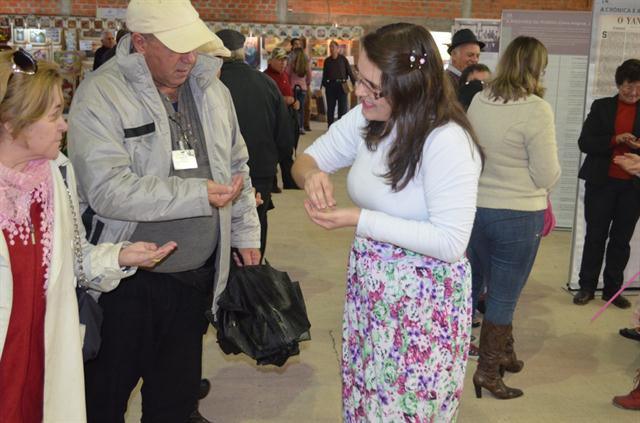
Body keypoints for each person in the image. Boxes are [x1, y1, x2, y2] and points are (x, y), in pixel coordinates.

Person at [67, 1, 261, 422]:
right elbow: (107, 190)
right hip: (125, 287)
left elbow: (237, 168)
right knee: (102, 401)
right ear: (140, 42)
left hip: (195, 281)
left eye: (193, 46)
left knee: (173, 406)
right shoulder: (101, 94)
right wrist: (198, 195)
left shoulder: (213, 90)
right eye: (176, 48)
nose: (189, 58)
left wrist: (246, 233)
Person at [292, 23, 482, 421]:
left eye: (372, 86)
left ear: (409, 84)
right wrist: (311, 176)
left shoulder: (446, 139)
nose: (359, 92)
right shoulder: (369, 119)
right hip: (373, 295)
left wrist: (361, 218)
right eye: (359, 79)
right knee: (367, 399)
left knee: (407, 407)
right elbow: (307, 158)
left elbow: (450, 241)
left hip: (423, 306)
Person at [0, 49, 175, 423]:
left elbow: (74, 259)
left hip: (44, 359)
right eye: (54, 115)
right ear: (13, 123)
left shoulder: (57, 175)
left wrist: (120, 257)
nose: (64, 125)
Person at [466, 36, 561, 400]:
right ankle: (488, 373)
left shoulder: (479, 99)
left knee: (487, 287)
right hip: (518, 214)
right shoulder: (536, 109)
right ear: (536, 67)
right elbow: (547, 175)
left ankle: (504, 351)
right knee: (506, 293)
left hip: (478, 209)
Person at [216, 28, 294, 258]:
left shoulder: (208, 86)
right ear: (242, 51)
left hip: (219, 172)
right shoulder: (266, 83)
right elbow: (284, 133)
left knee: (220, 229)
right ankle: (253, 277)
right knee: (255, 227)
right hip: (260, 169)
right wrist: (285, 170)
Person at [573, 59, 640, 309]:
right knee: (595, 236)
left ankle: (612, 290)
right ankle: (587, 286)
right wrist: (615, 139)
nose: (633, 93)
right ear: (619, 84)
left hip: (632, 188)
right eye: (628, 87)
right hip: (601, 183)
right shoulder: (602, 107)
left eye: (638, 88)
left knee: (621, 240)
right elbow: (585, 143)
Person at [264, 46, 299, 190]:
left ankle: (289, 181)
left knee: (287, 149)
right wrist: (284, 100)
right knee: (272, 151)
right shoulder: (266, 77)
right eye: (279, 60)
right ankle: (271, 183)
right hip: (274, 119)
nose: (283, 63)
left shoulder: (284, 75)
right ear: (271, 61)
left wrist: (295, 101)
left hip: (287, 116)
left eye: (284, 60)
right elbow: (266, 99)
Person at [321, 40, 355, 127]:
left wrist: (354, 83)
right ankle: (330, 127)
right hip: (331, 87)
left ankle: (341, 127)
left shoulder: (343, 59)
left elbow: (349, 72)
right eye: (330, 47)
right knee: (330, 108)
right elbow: (324, 74)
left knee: (342, 108)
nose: (331, 48)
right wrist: (324, 85)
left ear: (337, 48)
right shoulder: (327, 61)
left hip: (342, 86)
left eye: (333, 46)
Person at [288, 47, 312, 136]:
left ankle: (293, 127)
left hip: (293, 88)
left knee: (293, 108)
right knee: (301, 109)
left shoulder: (291, 63)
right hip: (303, 89)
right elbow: (310, 76)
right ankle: (301, 127)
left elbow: (287, 74)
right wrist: (307, 83)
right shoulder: (306, 64)